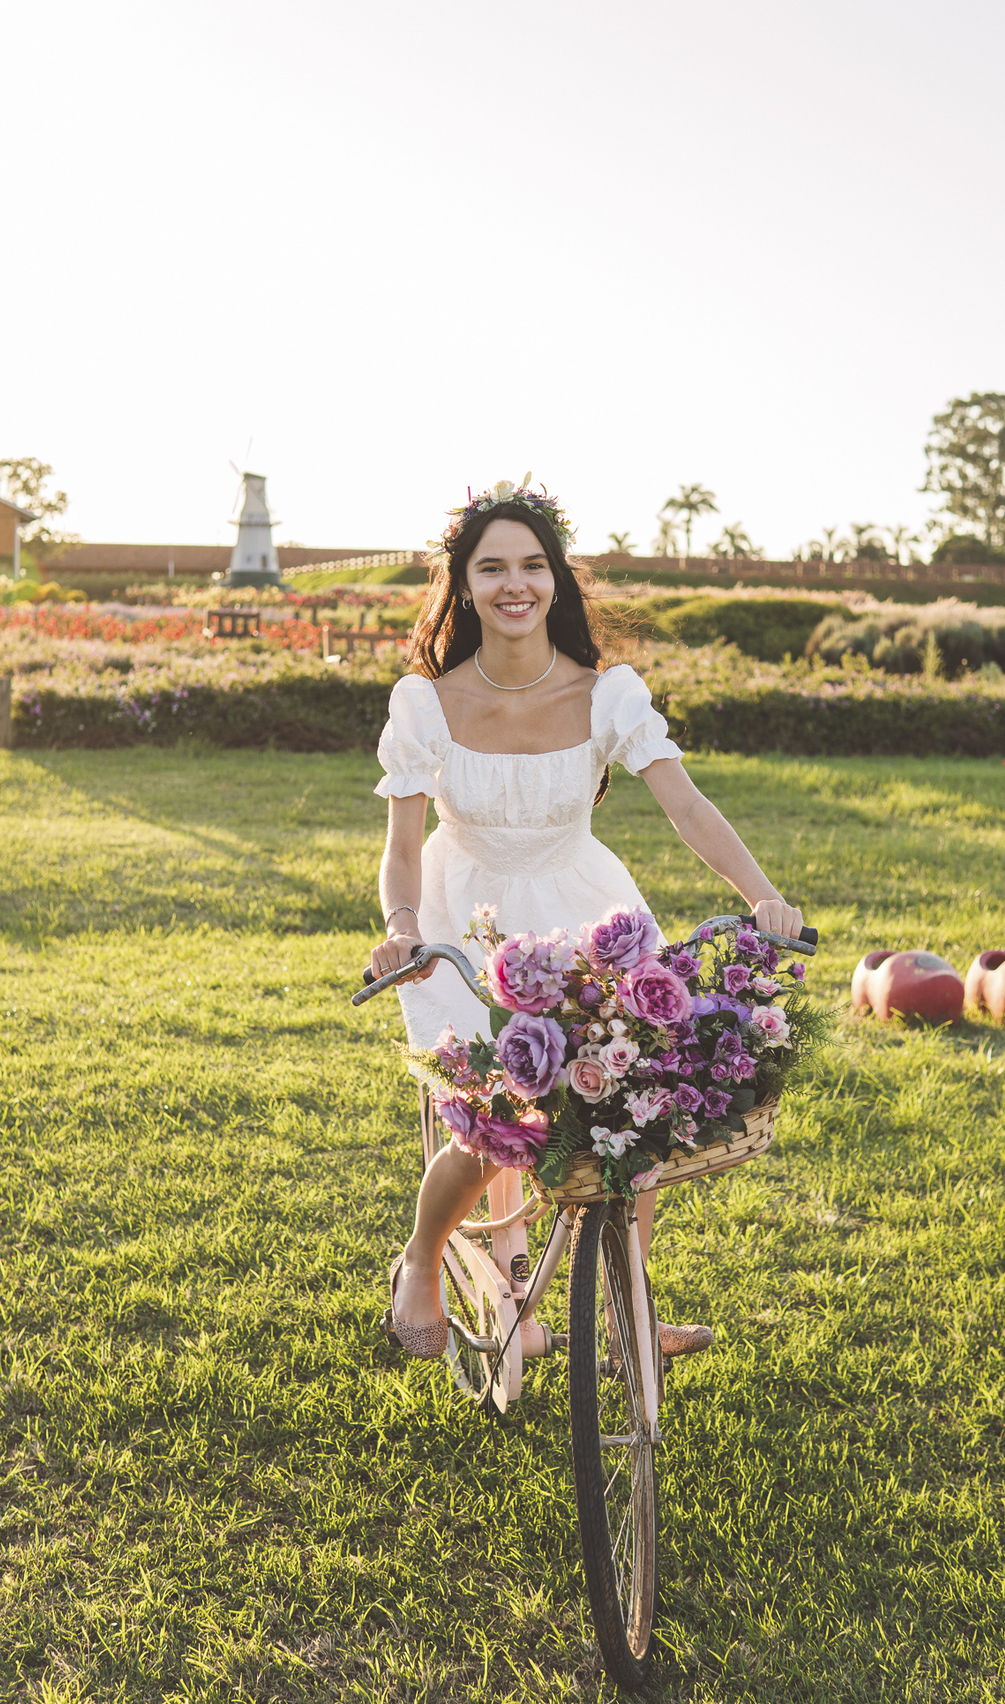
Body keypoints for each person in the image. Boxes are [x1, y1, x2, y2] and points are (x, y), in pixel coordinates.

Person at [368, 476, 804, 1358]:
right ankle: (419, 1260)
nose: (514, 584)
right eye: (491, 568)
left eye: (533, 565)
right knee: (497, 1113)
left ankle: (626, 1310)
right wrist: (403, 924)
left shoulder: (608, 694)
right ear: (463, 584)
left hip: (583, 906)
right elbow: (404, 844)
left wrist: (761, 896)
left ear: (558, 581)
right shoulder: (426, 702)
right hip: (467, 917)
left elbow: (685, 805)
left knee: (632, 1101)